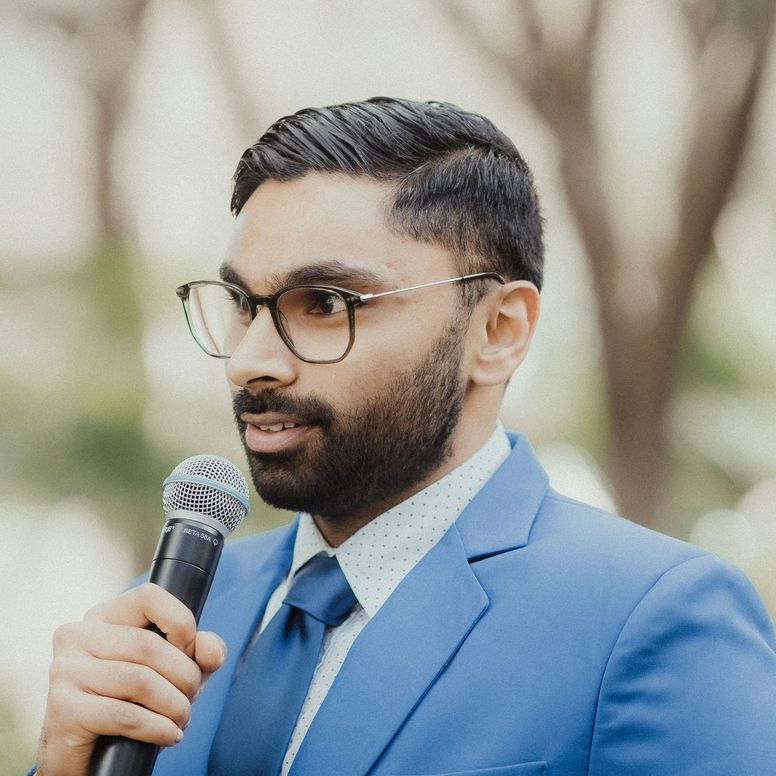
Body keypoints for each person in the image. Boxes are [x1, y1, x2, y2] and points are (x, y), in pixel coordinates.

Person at [31, 97, 776, 776]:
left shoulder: (651, 622)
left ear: (498, 331)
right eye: (243, 304)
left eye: (324, 302)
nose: (251, 362)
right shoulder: (169, 616)